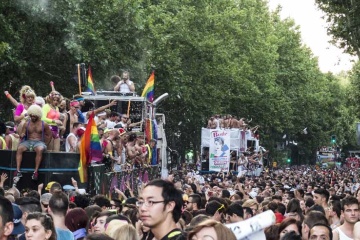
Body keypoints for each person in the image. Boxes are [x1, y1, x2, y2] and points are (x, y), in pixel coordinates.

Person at [14, 105, 52, 182]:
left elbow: (49, 135)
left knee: (39, 149)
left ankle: (35, 172)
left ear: (38, 115)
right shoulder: (26, 123)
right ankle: (18, 170)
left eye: (34, 115)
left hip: (39, 142)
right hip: (28, 141)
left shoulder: (43, 124)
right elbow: (22, 133)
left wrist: (45, 144)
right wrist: (22, 135)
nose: (32, 117)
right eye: (31, 115)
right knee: (19, 149)